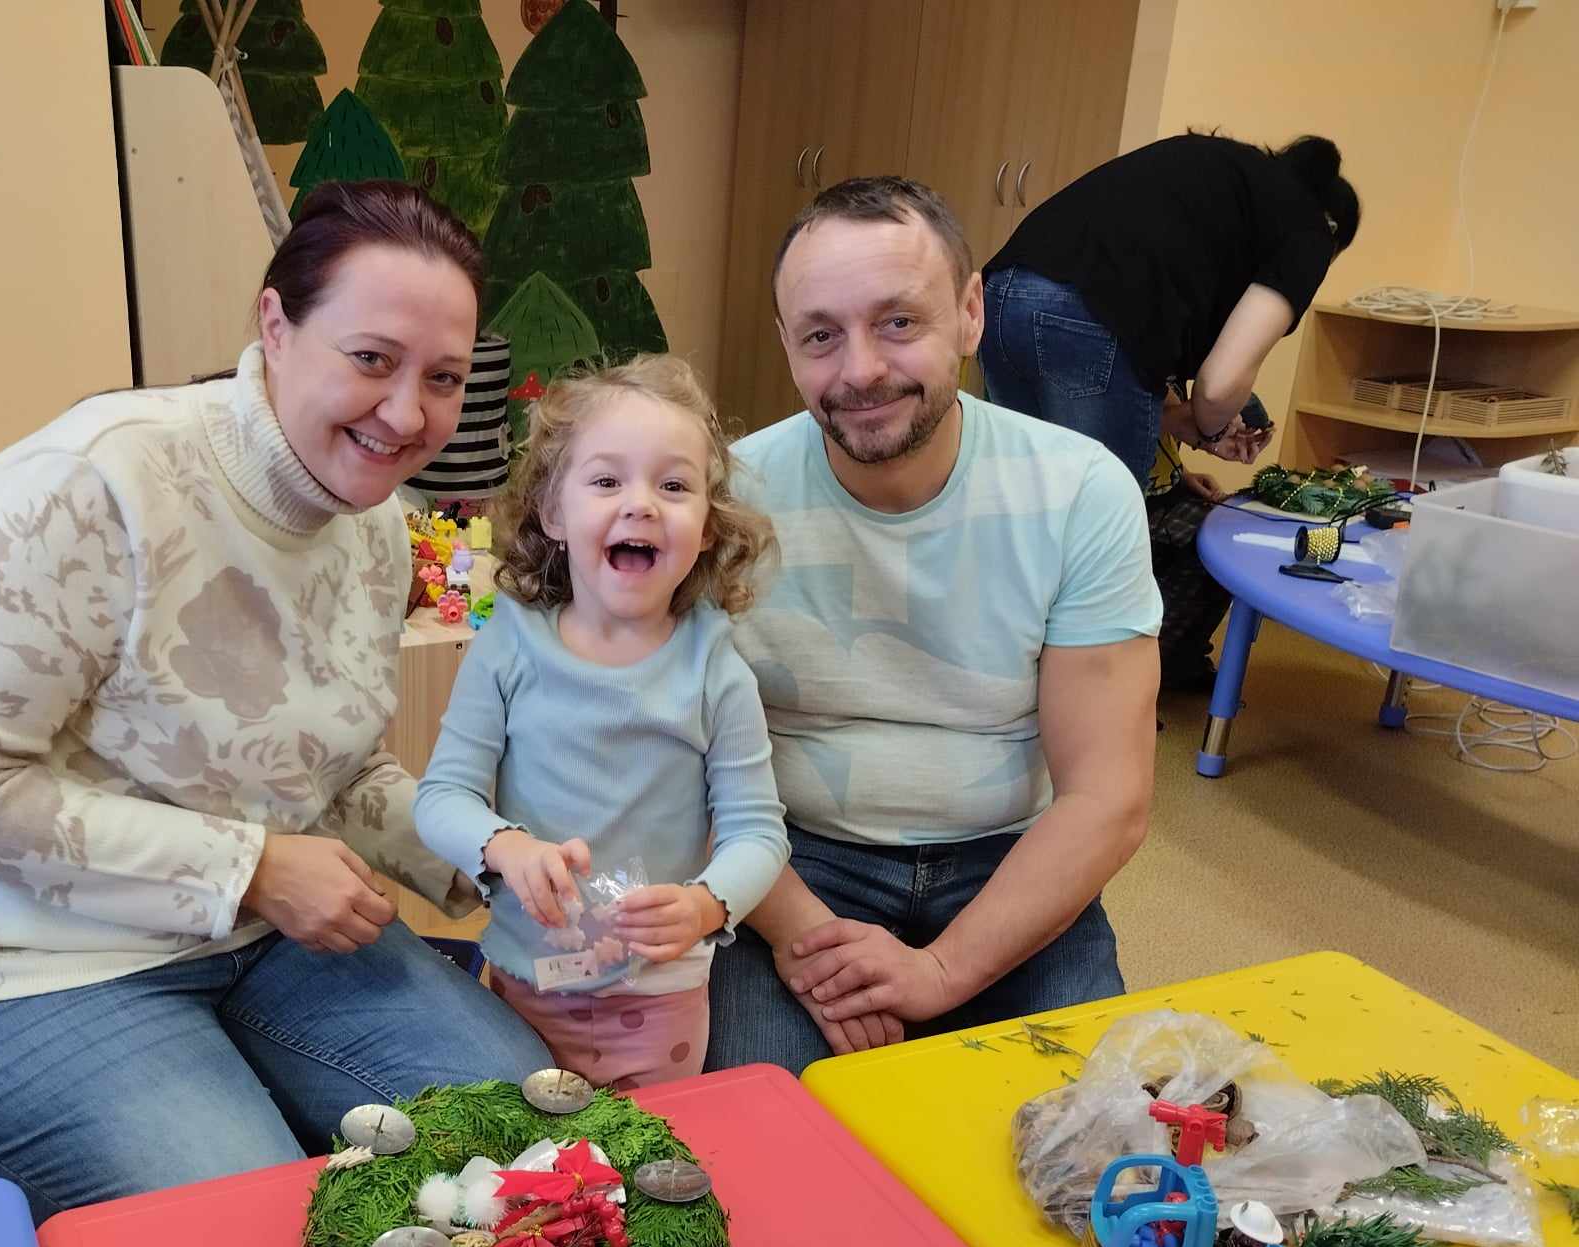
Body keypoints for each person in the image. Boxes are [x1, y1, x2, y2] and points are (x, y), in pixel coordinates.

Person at [0, 181, 553, 1222]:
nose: (408, 415)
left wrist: (497, 859)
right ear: (275, 324)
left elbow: (341, 770)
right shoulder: (92, 481)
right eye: (372, 359)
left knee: (540, 1145)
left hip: (258, 942)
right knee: (252, 1236)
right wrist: (251, 868)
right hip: (13, 967)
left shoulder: (373, 529)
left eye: (442, 379)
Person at [706, 176, 1161, 1071]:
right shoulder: (721, 502)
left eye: (899, 322)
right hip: (783, 861)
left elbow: (1107, 797)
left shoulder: (1079, 490)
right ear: (786, 344)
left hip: (1012, 860)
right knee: (766, 1123)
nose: (861, 370)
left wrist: (943, 971)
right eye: (821, 336)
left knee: (1083, 1126)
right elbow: (670, 761)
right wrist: (805, 939)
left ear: (971, 312)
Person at [415, 355, 786, 1089]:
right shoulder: (507, 646)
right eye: (607, 481)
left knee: (647, 1148)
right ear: (553, 513)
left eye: (673, 486)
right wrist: (507, 848)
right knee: (528, 1146)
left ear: (708, 528)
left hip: (662, 997)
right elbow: (441, 798)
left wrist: (706, 904)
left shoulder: (715, 671)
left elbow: (758, 833)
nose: (641, 504)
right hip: (522, 983)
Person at [978, 132, 1361, 484]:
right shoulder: (1310, 233)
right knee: (1100, 520)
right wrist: (1213, 429)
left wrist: (1187, 421)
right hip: (1086, 323)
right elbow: (1218, 387)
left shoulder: (1225, 174)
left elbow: (1140, 315)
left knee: (1025, 505)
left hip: (1000, 297)